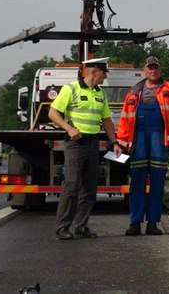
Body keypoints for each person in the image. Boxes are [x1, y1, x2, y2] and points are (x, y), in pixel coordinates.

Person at [113, 56, 169, 236]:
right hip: (138, 142)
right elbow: (125, 120)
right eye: (149, 68)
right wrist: (119, 143)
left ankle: (153, 223)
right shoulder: (133, 92)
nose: (153, 71)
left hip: (159, 142)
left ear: (160, 70)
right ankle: (135, 222)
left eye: (155, 68)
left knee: (157, 183)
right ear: (144, 70)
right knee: (137, 182)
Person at [48, 57, 118, 240]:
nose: (105, 77)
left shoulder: (100, 93)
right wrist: (69, 128)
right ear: (94, 72)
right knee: (71, 185)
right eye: (103, 73)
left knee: (90, 188)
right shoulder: (71, 89)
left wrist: (114, 142)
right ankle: (62, 228)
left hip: (93, 143)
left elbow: (107, 121)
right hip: (76, 144)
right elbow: (52, 113)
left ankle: (81, 227)